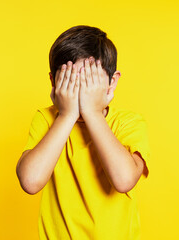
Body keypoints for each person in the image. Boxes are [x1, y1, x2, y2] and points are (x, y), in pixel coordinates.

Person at [16, 25, 151, 240]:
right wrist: (67, 115)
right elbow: (30, 181)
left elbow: (124, 180)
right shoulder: (47, 119)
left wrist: (93, 113)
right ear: (53, 82)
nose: (81, 94)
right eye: (70, 82)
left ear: (111, 82)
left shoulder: (129, 123)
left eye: (89, 83)